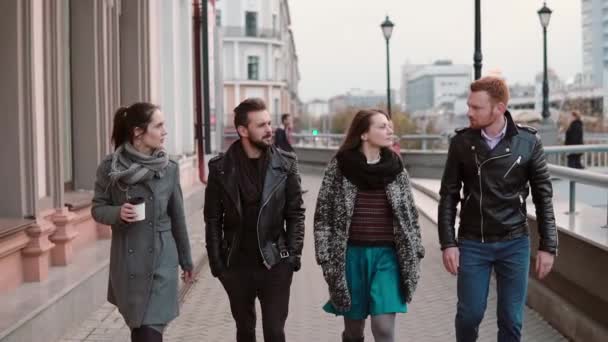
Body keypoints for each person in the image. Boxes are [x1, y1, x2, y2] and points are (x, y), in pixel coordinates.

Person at [438, 76, 558, 342]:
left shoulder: (528, 142)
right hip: (472, 242)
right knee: (469, 316)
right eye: (469, 106)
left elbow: (543, 196)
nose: (469, 112)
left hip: (514, 242)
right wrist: (448, 243)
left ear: (499, 108)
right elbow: (448, 195)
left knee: (511, 321)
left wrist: (549, 246)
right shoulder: (461, 143)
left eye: (476, 107)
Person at [314, 109, 425, 342]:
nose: (390, 130)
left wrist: (416, 248)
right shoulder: (340, 167)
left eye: (389, 126)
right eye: (382, 126)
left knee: (383, 328)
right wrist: (325, 257)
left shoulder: (396, 169)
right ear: (364, 134)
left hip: (388, 257)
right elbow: (323, 215)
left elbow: (410, 214)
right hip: (350, 257)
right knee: (354, 331)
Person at [204, 98, 305, 342]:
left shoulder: (286, 164)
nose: (270, 129)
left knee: (274, 332)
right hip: (236, 265)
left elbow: (295, 213)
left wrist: (292, 257)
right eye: (261, 125)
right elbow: (213, 218)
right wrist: (218, 263)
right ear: (242, 130)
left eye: (269, 123)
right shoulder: (220, 168)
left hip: (276, 263)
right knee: (245, 330)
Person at [92, 102, 194, 342]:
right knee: (140, 332)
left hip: (162, 260)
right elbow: (98, 208)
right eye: (158, 126)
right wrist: (118, 213)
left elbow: (178, 217)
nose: (164, 131)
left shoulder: (169, 168)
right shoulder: (111, 168)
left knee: (148, 333)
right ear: (138, 132)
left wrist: (186, 260)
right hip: (129, 263)